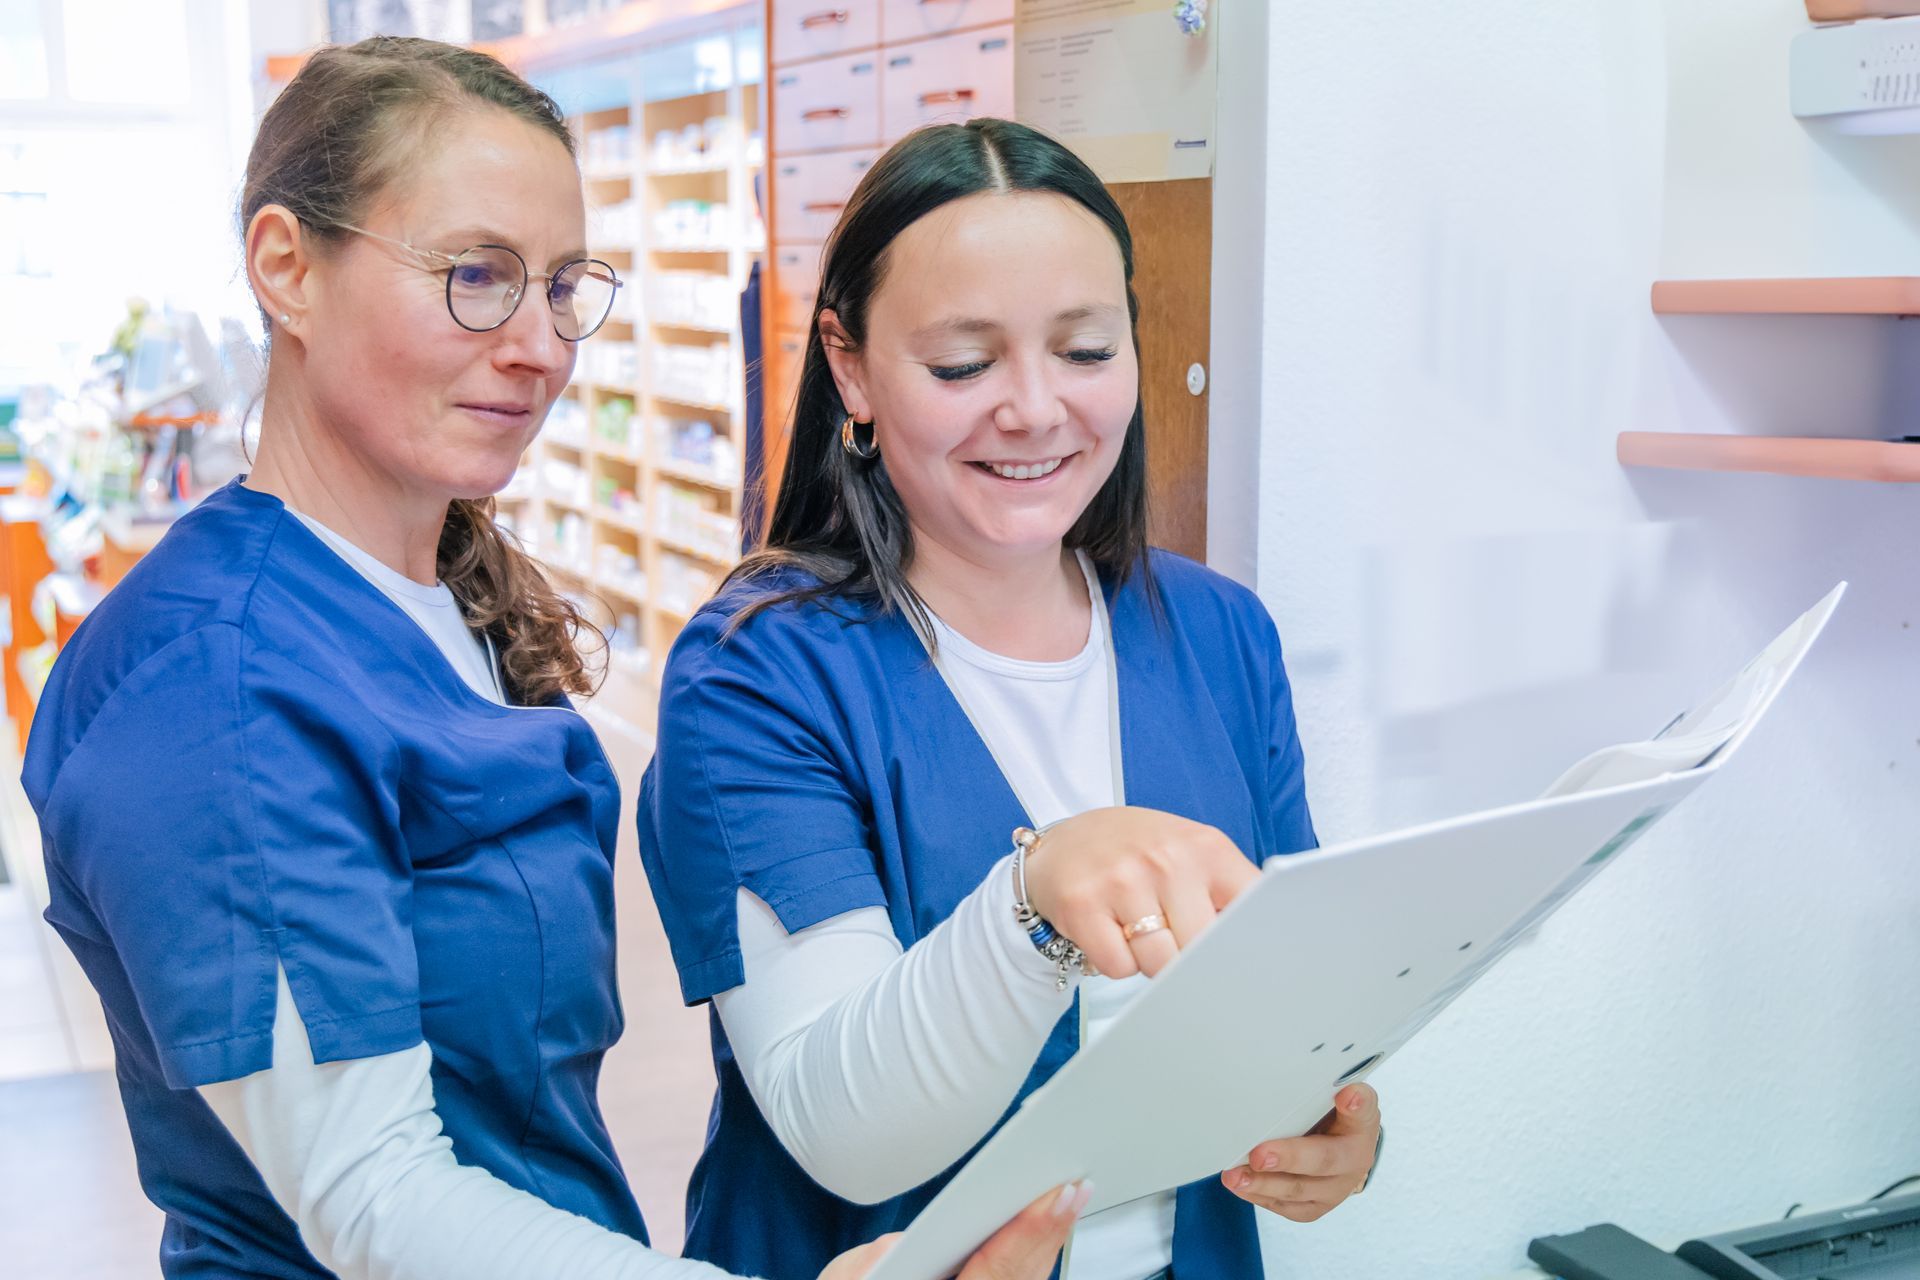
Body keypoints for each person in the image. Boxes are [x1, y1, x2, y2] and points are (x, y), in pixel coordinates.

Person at [22, 40, 1080, 1280]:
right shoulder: (216, 684)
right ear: (287, 267)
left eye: (563, 285)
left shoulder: (442, 602)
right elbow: (375, 1196)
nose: (541, 344)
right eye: (475, 275)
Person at [638, 118, 1383, 1280]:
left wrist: (1336, 1118)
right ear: (849, 366)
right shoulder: (757, 676)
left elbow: (1293, 984)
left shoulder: (1219, 633)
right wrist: (1036, 899)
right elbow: (843, 1126)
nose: (1036, 409)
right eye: (962, 365)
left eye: (1085, 349)